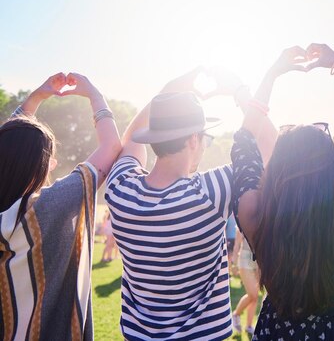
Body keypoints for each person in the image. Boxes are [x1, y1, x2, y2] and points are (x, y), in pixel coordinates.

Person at [231, 44, 334, 339]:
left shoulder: (254, 213)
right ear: (331, 167)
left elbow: (243, 139)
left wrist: (272, 74)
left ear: (277, 169)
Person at [104, 68, 250, 340]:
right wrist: (241, 92)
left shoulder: (119, 189)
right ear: (194, 139)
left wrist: (167, 90)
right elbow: (266, 152)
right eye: (205, 138)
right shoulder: (209, 194)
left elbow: (130, 140)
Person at [0, 72, 120, 340]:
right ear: (38, 166)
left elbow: (7, 146)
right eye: (50, 160)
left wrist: (34, 99)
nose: (53, 165)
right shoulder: (46, 208)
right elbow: (111, 146)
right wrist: (95, 96)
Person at [231, 226, 260, 336]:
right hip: (244, 261)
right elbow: (236, 246)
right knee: (252, 294)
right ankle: (236, 314)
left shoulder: (262, 221)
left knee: (255, 296)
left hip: (258, 262)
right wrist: (233, 263)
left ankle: (248, 326)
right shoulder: (243, 224)